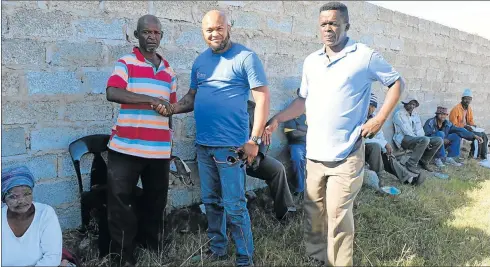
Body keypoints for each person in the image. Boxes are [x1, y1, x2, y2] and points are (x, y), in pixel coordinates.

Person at [262, 2, 404, 265]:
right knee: (313, 212)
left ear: (346, 25)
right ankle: (317, 258)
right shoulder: (311, 61)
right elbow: (302, 100)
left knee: (338, 216)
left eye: (334, 24)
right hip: (314, 153)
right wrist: (276, 119)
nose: (329, 28)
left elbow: (396, 82)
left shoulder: (364, 56)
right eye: (324, 24)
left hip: (346, 153)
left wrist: (379, 118)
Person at [155, 10, 270, 266]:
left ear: (229, 27)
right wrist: (171, 108)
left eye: (219, 28)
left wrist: (254, 140)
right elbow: (192, 97)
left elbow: (262, 99)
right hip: (204, 146)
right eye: (209, 30)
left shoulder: (245, 57)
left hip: (231, 147)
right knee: (211, 202)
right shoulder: (201, 62)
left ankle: (244, 258)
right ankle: (218, 249)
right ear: (203, 33)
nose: (214, 34)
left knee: (235, 205)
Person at [105, 14, 176, 266]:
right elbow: (112, 92)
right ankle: (123, 258)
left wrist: (170, 139)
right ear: (136, 35)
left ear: (161, 36)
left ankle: (153, 250)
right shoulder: (125, 62)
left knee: (155, 204)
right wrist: (151, 99)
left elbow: (171, 108)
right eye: (146, 32)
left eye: (156, 33)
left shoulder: (168, 71)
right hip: (125, 149)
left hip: (158, 152)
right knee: (120, 206)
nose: (151, 37)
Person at [2, 166, 63, 267]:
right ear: (3, 198)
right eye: (13, 196)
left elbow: (52, 257)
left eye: (26, 194)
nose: (21, 201)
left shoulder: (45, 214)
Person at [246, 100, 296, 220]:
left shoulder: (252, 107)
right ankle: (245, 204)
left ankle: (285, 212)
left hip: (253, 155)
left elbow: (264, 135)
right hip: (233, 157)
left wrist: (259, 156)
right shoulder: (224, 106)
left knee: (277, 169)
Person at [365, 94, 422, 185]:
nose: (371, 109)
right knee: (376, 147)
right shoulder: (357, 118)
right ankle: (379, 177)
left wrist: (385, 147)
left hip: (372, 146)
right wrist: (384, 144)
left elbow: (380, 136)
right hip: (358, 148)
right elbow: (361, 138)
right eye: (369, 105)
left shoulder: (374, 117)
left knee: (387, 156)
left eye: (373, 106)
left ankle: (408, 178)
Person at [393, 96, 443, 173]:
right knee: (425, 140)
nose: (412, 106)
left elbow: (419, 129)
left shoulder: (415, 114)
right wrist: (423, 140)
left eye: (413, 104)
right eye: (410, 104)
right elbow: (407, 131)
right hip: (404, 139)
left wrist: (425, 140)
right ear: (405, 104)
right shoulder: (399, 114)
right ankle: (411, 164)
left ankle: (424, 161)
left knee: (438, 140)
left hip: (416, 138)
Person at [449, 89, 488, 160]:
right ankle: (473, 156)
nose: (468, 101)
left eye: (469, 99)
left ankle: (483, 156)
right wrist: (464, 126)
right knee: (478, 136)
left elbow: (470, 120)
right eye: (466, 99)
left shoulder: (468, 108)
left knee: (483, 134)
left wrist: (473, 125)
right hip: (458, 130)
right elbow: (453, 125)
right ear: (462, 99)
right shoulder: (456, 109)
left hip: (466, 129)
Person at [283, 88, 307, 194]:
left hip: (315, 143)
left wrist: (300, 128)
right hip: (298, 144)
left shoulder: (317, 111)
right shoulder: (291, 112)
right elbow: (293, 134)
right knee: (297, 158)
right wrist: (311, 130)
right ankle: (300, 189)